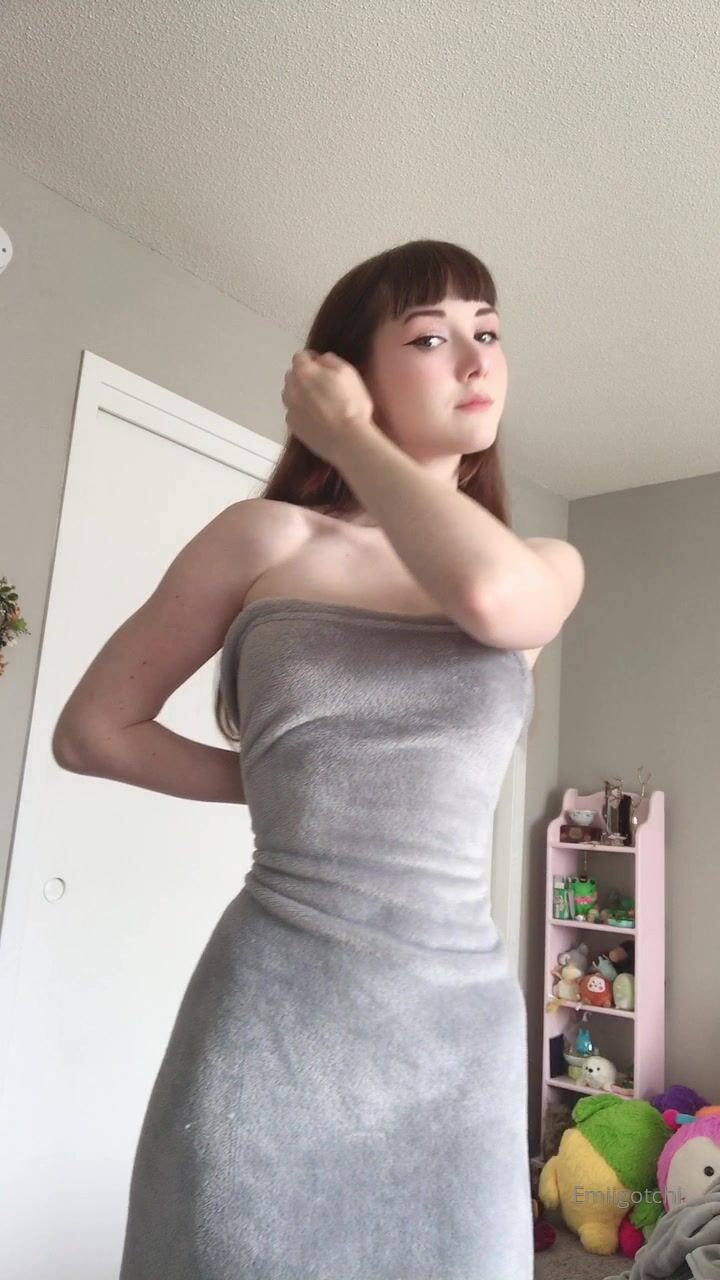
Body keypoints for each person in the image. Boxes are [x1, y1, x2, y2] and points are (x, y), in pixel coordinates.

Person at [54, 239, 584, 1278]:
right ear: (350, 368)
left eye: (488, 332)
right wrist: (283, 792)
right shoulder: (266, 539)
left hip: (457, 1048)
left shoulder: (541, 563)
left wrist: (349, 436)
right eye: (430, 337)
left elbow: (492, 600)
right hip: (273, 1025)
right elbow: (93, 731)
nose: (476, 357)